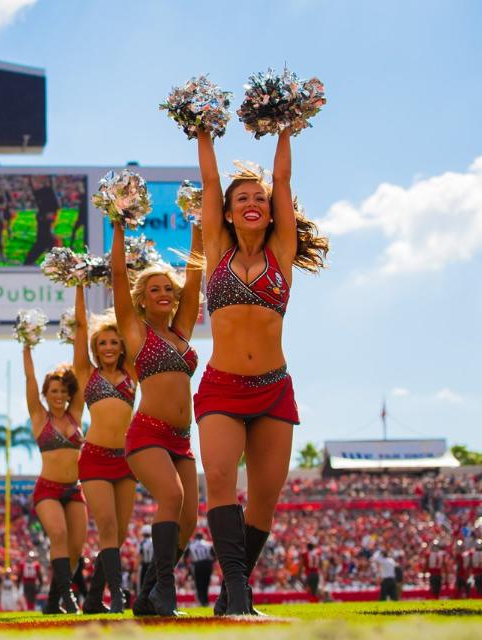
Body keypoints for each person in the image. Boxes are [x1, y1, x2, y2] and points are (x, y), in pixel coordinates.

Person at [193, 126, 328, 616]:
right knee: (222, 479)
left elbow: (283, 178)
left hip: (273, 390)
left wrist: (286, 130)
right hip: (222, 389)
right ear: (228, 213)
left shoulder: (282, 253)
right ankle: (239, 596)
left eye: (260, 197)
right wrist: (203, 133)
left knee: (266, 500)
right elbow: (210, 183)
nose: (253, 201)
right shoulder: (216, 251)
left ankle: (232, 591)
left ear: (271, 211)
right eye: (242, 198)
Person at [111, 220, 204, 617]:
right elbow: (117, 276)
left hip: (181, 438)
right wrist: (117, 225)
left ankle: (148, 592)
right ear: (142, 300)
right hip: (147, 433)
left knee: (188, 522)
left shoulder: (182, 332)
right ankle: (165, 592)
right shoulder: (135, 332)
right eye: (155, 289)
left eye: (168, 288)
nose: (164, 293)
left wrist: (198, 226)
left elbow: (195, 275)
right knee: (172, 497)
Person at [71, 286, 137, 614]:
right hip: (95, 457)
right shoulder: (86, 374)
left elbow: (133, 321)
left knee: (120, 533)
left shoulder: (134, 373)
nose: (108, 347)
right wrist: (79, 285)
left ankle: (94, 597)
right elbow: (80, 329)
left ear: (122, 345)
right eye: (102, 343)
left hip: (126, 460)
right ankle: (117, 597)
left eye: (114, 341)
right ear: (95, 349)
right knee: (107, 527)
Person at [23, 345, 86, 614]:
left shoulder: (77, 414)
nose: (58, 395)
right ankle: (67, 599)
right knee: (58, 535)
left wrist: (76, 339)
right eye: (53, 391)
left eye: (62, 391)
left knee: (76, 547)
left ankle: (51, 603)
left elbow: (81, 372)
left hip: (74, 489)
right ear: (45, 395)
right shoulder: (39, 416)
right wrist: (26, 348)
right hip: (47, 489)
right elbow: (30, 380)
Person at [23, 175, 61, 265]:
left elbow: (56, 206)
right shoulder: (39, 192)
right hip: (43, 220)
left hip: (45, 222)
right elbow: (33, 187)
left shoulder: (48, 191)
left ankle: (28, 263)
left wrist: (51, 214)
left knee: (43, 242)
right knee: (46, 242)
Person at [188, 533, 215, 606]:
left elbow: (186, 557)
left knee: (199, 583)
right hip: (207, 564)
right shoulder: (208, 544)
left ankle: (202, 601)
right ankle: (205, 601)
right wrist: (211, 562)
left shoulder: (191, 545)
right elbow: (214, 555)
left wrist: (189, 569)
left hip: (197, 565)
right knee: (206, 583)